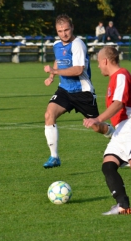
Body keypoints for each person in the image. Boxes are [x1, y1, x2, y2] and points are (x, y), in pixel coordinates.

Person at [83, 46, 131, 215]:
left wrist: (98, 119)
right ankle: (122, 204)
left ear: (105, 61)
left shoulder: (121, 75)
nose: (98, 67)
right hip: (121, 130)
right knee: (108, 165)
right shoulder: (116, 79)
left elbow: (119, 104)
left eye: (98, 63)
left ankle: (123, 204)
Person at [43, 14, 114, 169]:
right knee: (49, 114)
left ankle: (114, 134)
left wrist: (54, 71)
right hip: (64, 90)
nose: (64, 34)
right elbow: (58, 60)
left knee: (97, 126)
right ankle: (54, 156)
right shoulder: (56, 45)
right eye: (60, 31)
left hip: (83, 92)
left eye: (66, 30)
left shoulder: (77, 44)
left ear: (72, 27)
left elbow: (78, 69)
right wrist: (51, 77)